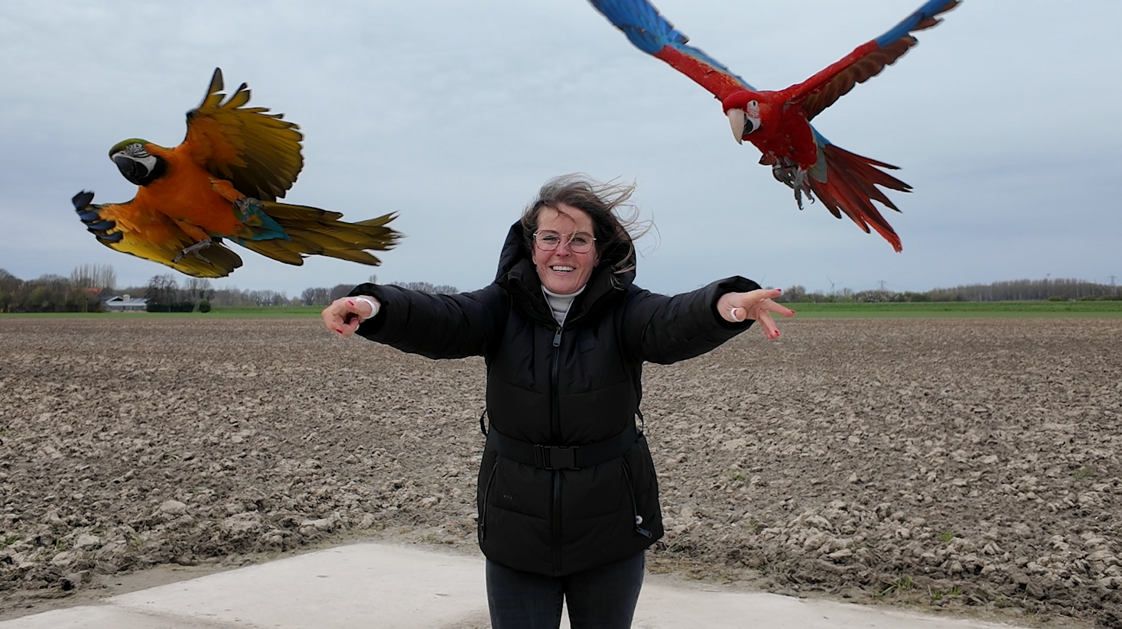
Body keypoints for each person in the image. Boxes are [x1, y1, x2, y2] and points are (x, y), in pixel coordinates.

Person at [321, 174, 794, 629]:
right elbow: (441, 317)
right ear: (531, 247)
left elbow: (673, 320)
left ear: (599, 251)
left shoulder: (627, 308)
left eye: (579, 240)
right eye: (549, 238)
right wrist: (373, 307)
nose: (562, 251)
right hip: (516, 524)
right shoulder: (499, 306)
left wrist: (725, 306)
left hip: (610, 525)